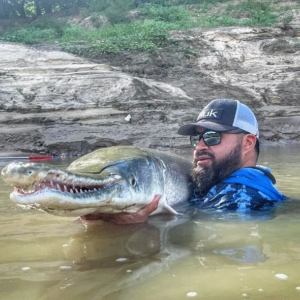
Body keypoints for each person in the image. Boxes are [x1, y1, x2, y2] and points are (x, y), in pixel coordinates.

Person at [83, 99, 285, 224]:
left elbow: (214, 236)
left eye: (213, 136)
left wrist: (139, 227)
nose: (200, 146)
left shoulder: (242, 195)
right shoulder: (222, 184)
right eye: (197, 138)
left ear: (248, 143)